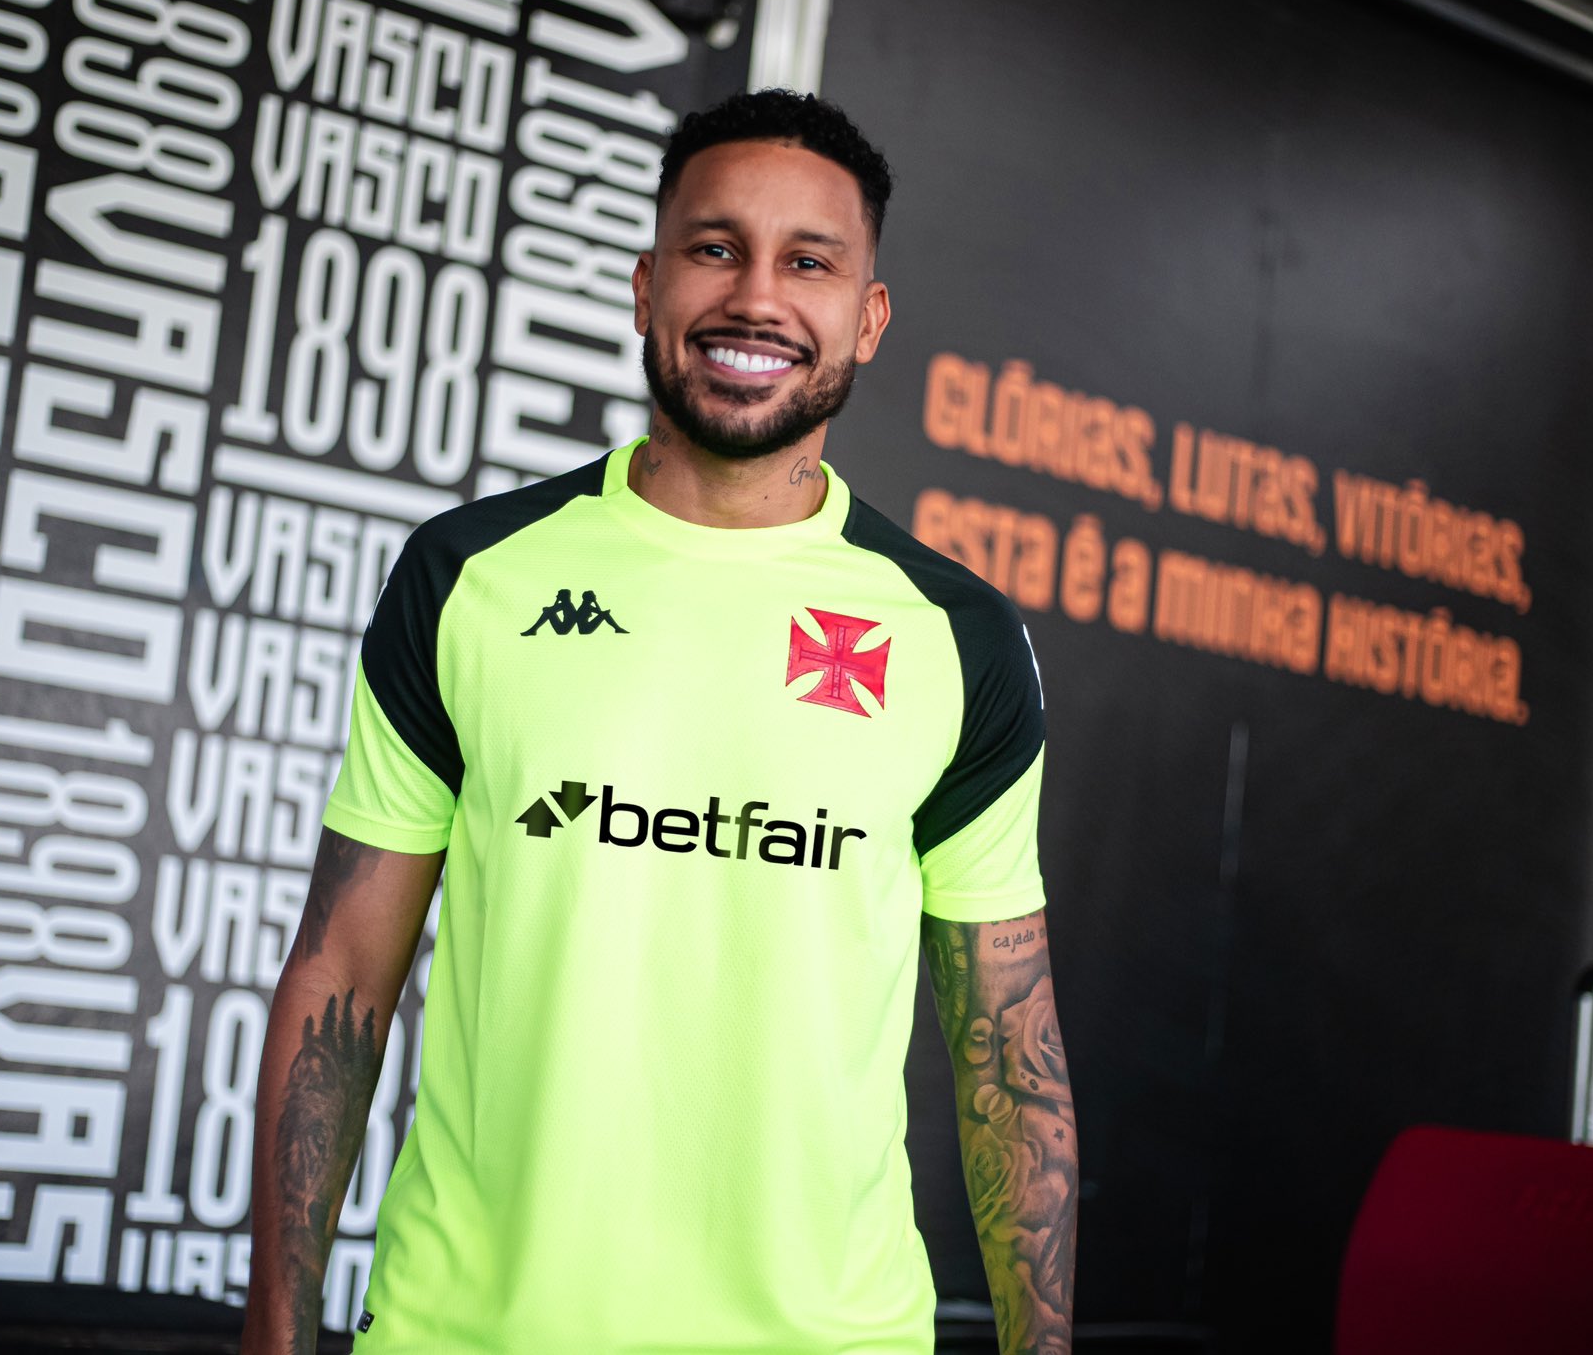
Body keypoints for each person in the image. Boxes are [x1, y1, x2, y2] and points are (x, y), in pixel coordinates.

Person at [241, 89, 1078, 1355]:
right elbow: (343, 970)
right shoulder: (468, 575)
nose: (755, 296)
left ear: (867, 316)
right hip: (468, 1332)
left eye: (808, 261)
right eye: (714, 247)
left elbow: (1007, 1051)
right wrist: (275, 1328)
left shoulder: (954, 636)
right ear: (647, 287)